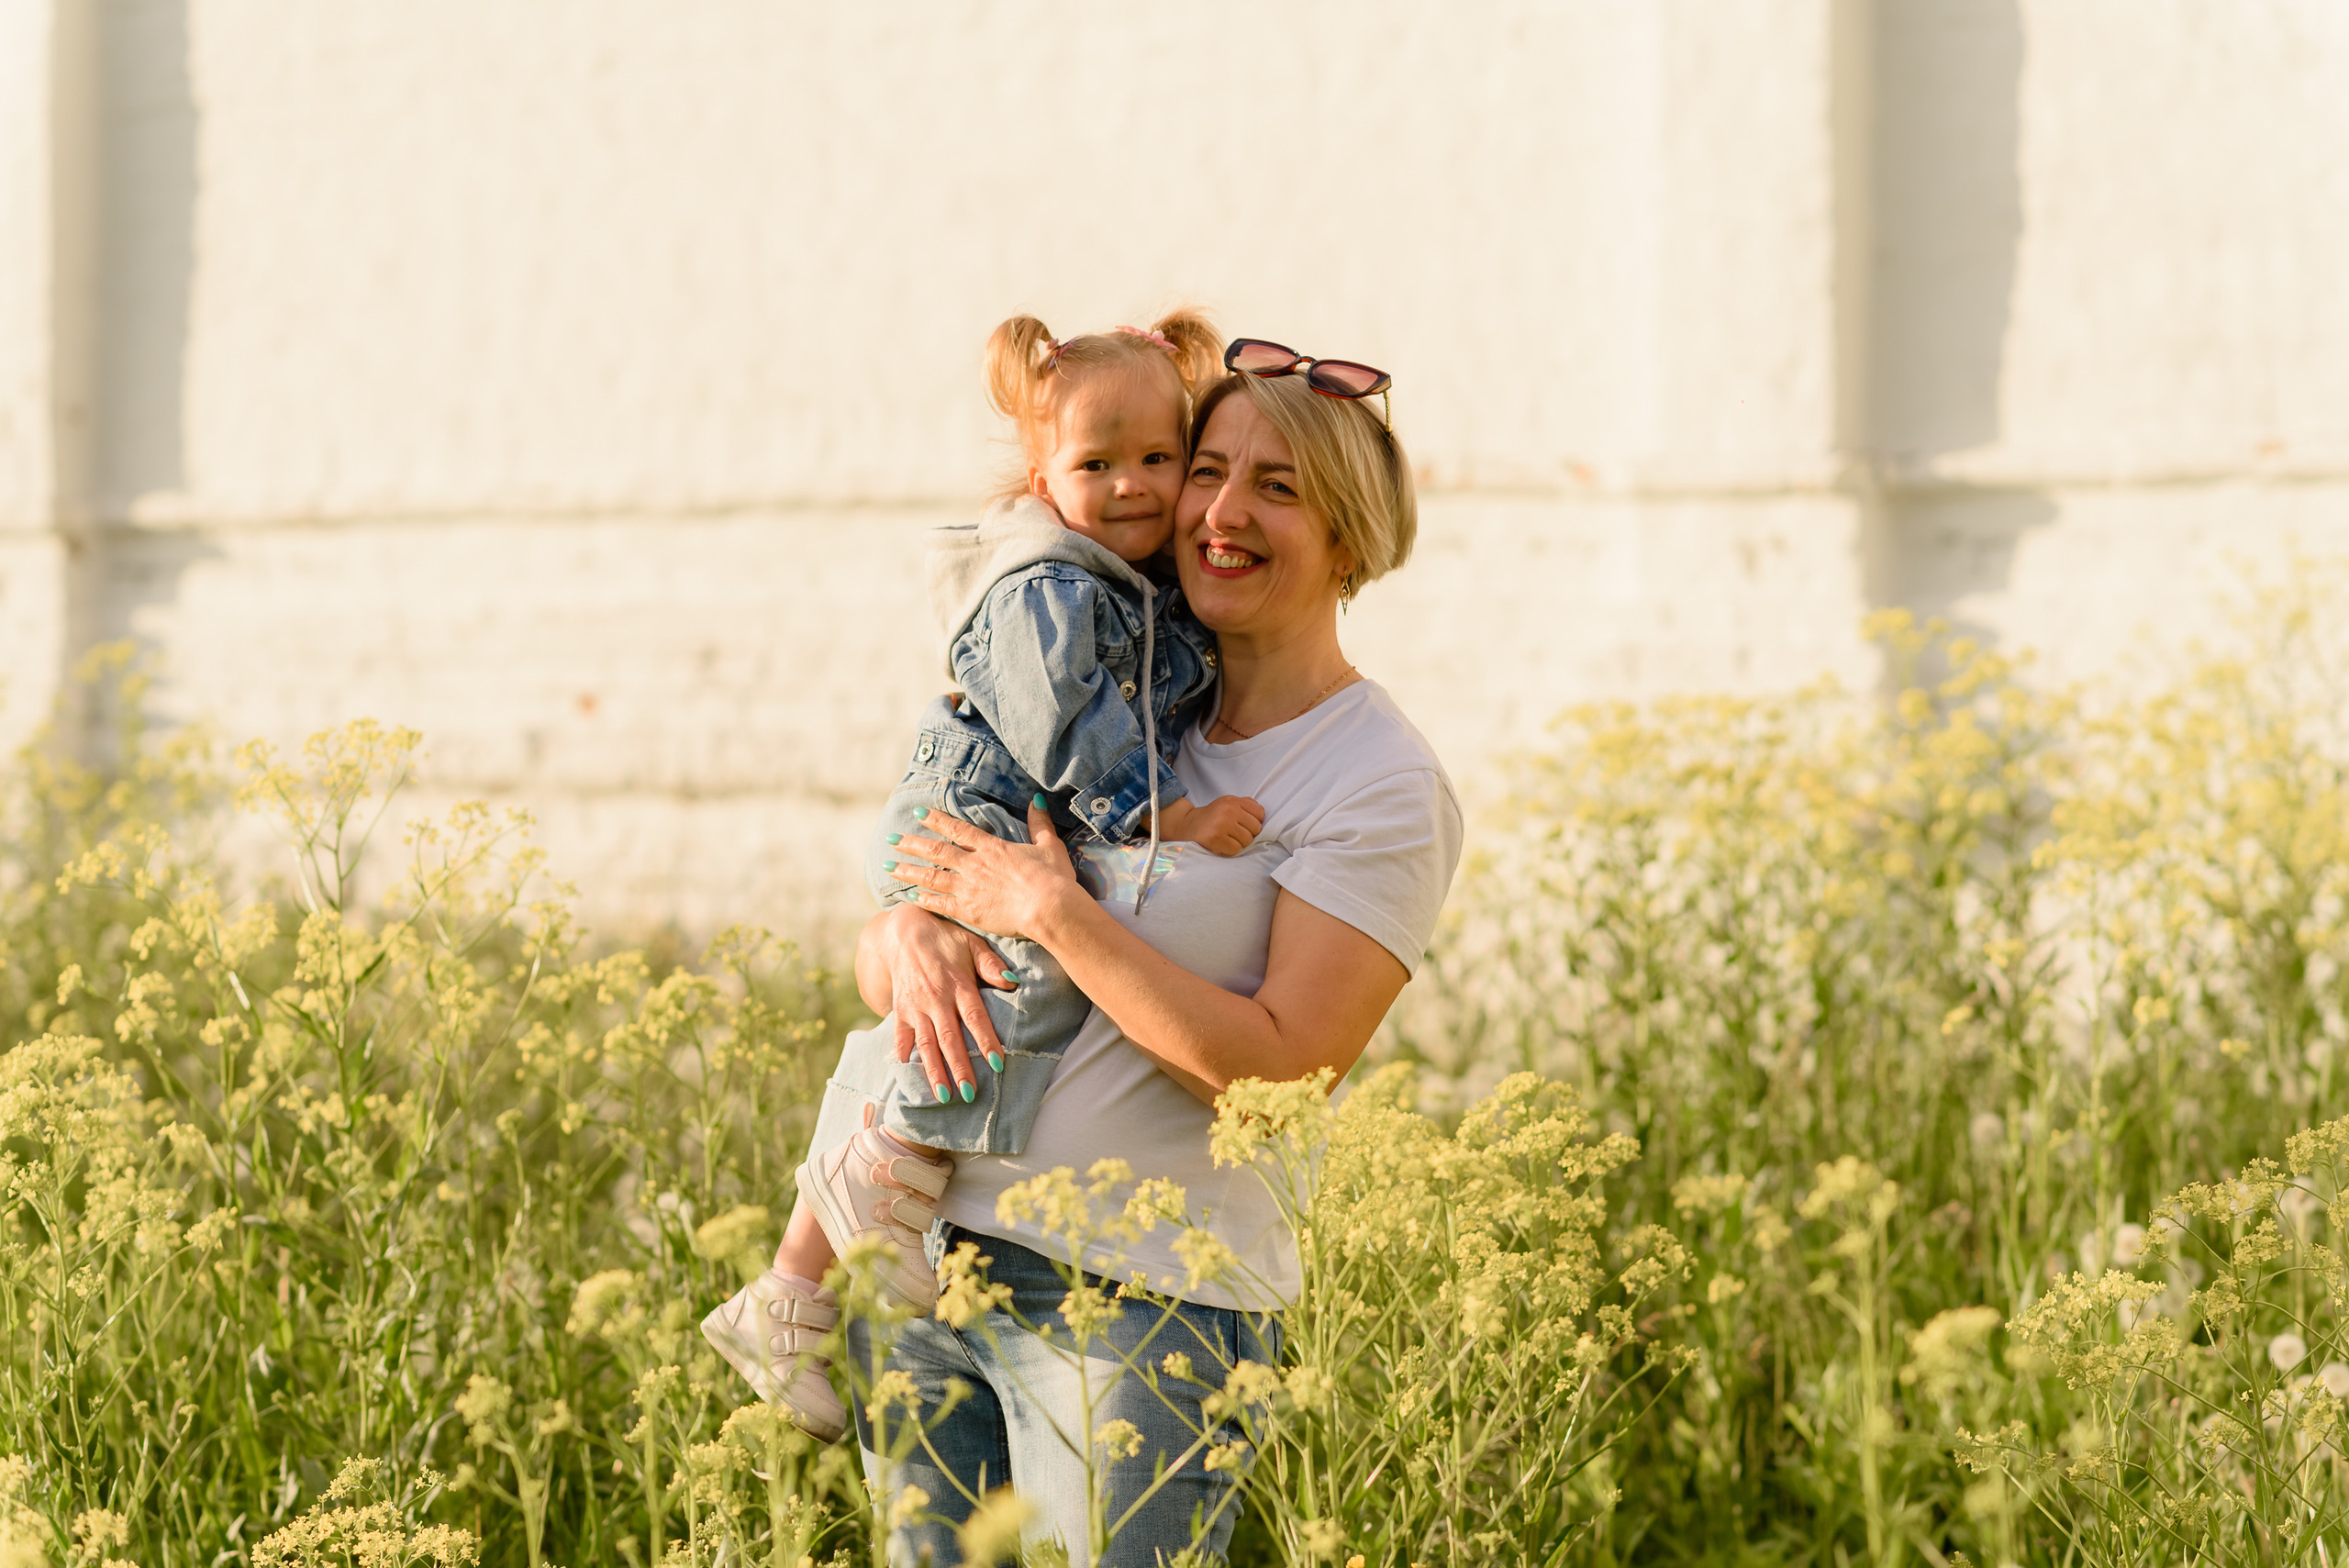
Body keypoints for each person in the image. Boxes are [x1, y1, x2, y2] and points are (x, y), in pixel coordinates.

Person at [843, 340, 1462, 1565]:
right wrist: (905, 933)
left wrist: (1056, 911)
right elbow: (919, 941)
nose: (1220, 513)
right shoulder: (1107, 693)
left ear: (1350, 537)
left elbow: (1275, 1086)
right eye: (1210, 470)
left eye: (1276, 488)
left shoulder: (1376, 781)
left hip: (1136, 1313)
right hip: (931, 1263)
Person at [701, 311, 1266, 1440]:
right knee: (1006, 983)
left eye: (1161, 459)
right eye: (1096, 465)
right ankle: (886, 1198)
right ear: (1038, 470)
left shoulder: (1111, 571)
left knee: (953, 1004)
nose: (1136, 486)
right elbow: (1067, 727)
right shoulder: (1045, 582)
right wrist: (1167, 817)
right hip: (990, 807)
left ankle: (790, 1292)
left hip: (1003, 808)